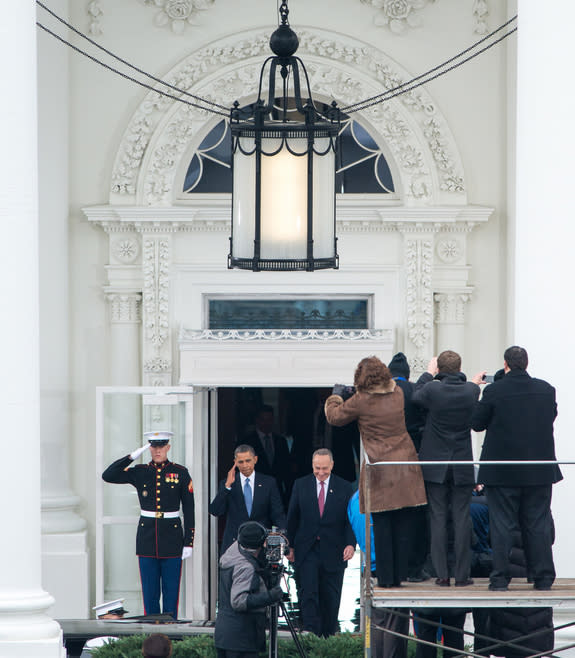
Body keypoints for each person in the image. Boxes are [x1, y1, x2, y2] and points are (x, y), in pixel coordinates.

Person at [325, 356, 426, 588]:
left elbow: (335, 417)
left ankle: (386, 578)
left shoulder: (361, 400)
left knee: (381, 524)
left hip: (380, 467)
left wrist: (336, 395)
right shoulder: (398, 393)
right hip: (405, 465)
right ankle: (400, 576)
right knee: (402, 524)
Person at [471, 345, 562, 592]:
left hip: (502, 471)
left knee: (502, 525)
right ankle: (542, 577)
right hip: (538, 470)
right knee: (538, 523)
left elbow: (477, 424)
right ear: (527, 364)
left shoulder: (494, 391)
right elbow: (549, 417)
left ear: (505, 364)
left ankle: (500, 578)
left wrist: (476, 391)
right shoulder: (546, 390)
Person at [102, 431, 195, 618]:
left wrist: (188, 542)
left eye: (161, 446)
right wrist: (132, 456)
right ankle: (150, 633)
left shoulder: (180, 472)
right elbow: (108, 475)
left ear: (168, 447)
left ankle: (169, 633)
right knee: (150, 593)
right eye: (154, 446)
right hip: (147, 538)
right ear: (149, 448)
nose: (158, 450)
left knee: (171, 593)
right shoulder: (141, 471)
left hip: (172, 538)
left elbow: (190, 509)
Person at [412, 351, 481, 587]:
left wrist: (428, 374)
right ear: (460, 367)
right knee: (462, 518)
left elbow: (414, 395)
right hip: (461, 463)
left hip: (435, 465)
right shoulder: (472, 390)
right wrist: (473, 381)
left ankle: (441, 574)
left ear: (439, 369)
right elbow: (471, 390)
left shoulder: (433, 389)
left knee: (438, 518)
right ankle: (462, 576)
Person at [286, 448, 356, 637]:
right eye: (317, 468)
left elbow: (351, 520)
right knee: (308, 591)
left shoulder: (345, 487)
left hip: (334, 549)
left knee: (331, 595)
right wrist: (288, 546)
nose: (321, 472)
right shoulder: (300, 485)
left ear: (332, 465)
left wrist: (350, 544)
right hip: (306, 549)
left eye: (325, 468)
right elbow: (292, 518)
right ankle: (309, 630)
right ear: (312, 465)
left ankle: (329, 633)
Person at [347, 490, 409, 658]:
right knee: (394, 626)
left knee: (376, 623)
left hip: (369, 567)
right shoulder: (381, 499)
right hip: (386, 567)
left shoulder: (354, 500)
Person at [388, 351, 430, 582]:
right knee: (414, 515)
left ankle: (393, 568)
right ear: (407, 374)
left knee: (390, 516)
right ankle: (414, 569)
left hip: (387, 463)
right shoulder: (415, 390)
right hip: (414, 459)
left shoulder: (381, 393)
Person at [214, 521, 284, 658]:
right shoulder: (245, 567)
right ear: (258, 545)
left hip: (226, 636)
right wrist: (271, 596)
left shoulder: (232, 552)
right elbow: (239, 601)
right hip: (241, 640)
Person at [209, 444, 286, 554]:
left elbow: (278, 513)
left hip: (260, 544)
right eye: (240, 462)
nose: (245, 465)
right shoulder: (228, 483)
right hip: (234, 544)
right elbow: (215, 511)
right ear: (235, 462)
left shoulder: (268, 483)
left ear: (255, 459)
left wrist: (283, 536)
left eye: (248, 461)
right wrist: (227, 487)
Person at [239, 405, 292, 504]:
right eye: (263, 419)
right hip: (256, 492)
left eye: (269, 419)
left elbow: (287, 469)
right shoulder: (248, 442)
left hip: (277, 493)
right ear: (257, 420)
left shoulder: (280, 441)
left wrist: (288, 493)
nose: (266, 423)